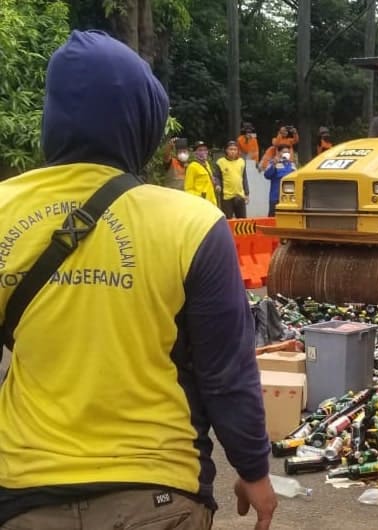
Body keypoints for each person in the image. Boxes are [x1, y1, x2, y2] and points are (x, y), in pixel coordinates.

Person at [0, 30, 275, 529]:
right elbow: (226, 372)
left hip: (25, 492)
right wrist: (253, 469)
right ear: (142, 120)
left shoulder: (3, 211)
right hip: (158, 494)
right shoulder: (190, 224)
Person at [217, 140, 250, 219]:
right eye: (231, 149)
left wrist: (247, 193)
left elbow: (244, 178)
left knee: (242, 220)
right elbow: (217, 176)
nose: (233, 151)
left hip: (240, 195)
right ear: (226, 150)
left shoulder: (241, 162)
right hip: (227, 196)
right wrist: (217, 185)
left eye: (235, 149)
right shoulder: (220, 162)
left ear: (238, 151)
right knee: (228, 220)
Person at [185, 140, 221, 207]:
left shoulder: (207, 164)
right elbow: (188, 189)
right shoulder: (192, 167)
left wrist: (216, 185)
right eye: (200, 150)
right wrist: (200, 195)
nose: (203, 152)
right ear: (195, 153)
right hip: (201, 203)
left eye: (205, 150)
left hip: (211, 202)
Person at [264, 145, 296, 216]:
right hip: (275, 197)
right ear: (279, 153)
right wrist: (274, 165)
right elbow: (267, 175)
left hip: (289, 198)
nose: (286, 154)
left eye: (288, 152)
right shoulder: (273, 163)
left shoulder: (292, 165)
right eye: (284, 152)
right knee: (272, 219)